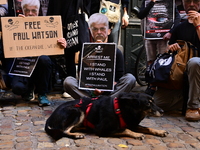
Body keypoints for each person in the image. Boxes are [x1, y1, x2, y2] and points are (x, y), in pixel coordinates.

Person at [3, 0, 66, 106]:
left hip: (40, 66)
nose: (30, 13)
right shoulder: (15, 24)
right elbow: (6, 49)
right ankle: (29, 88)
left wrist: (62, 44)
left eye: (33, 11)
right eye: (27, 10)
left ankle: (42, 93)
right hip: (23, 65)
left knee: (44, 59)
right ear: (22, 10)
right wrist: (17, 27)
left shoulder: (46, 25)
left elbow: (54, 52)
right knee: (18, 88)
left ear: (38, 11)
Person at [63, 13, 136, 99]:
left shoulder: (116, 52)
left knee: (130, 79)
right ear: (90, 31)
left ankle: (102, 102)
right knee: (68, 81)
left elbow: (118, 78)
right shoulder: (85, 50)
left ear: (109, 31)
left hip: (110, 92)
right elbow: (81, 76)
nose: (99, 32)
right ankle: (94, 102)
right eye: (95, 29)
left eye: (102, 29)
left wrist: (104, 89)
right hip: (89, 92)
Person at [154, 0, 200, 121]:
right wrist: (171, 48)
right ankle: (186, 100)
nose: (191, 4)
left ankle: (193, 107)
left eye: (196, 1)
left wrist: (198, 26)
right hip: (182, 73)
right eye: (188, 1)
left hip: (197, 70)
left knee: (195, 62)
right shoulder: (179, 27)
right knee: (157, 103)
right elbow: (169, 52)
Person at [137, 0, 181, 96]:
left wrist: (171, 32)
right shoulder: (147, 1)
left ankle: (161, 85)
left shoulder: (169, 2)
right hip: (150, 35)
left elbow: (177, 18)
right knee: (150, 61)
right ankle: (151, 85)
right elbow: (140, 15)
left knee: (163, 61)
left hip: (163, 37)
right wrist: (151, 3)